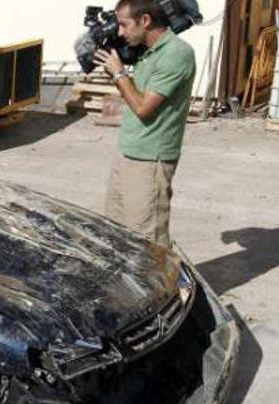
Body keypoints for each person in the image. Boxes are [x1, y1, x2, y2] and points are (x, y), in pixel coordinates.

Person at [94, 0, 196, 247]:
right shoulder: (146, 53)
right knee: (116, 235)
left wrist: (120, 73)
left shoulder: (177, 53)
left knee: (149, 244)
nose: (120, 32)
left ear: (146, 20)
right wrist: (116, 75)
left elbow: (143, 109)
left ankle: (165, 287)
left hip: (151, 162)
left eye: (124, 24)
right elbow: (133, 96)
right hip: (128, 154)